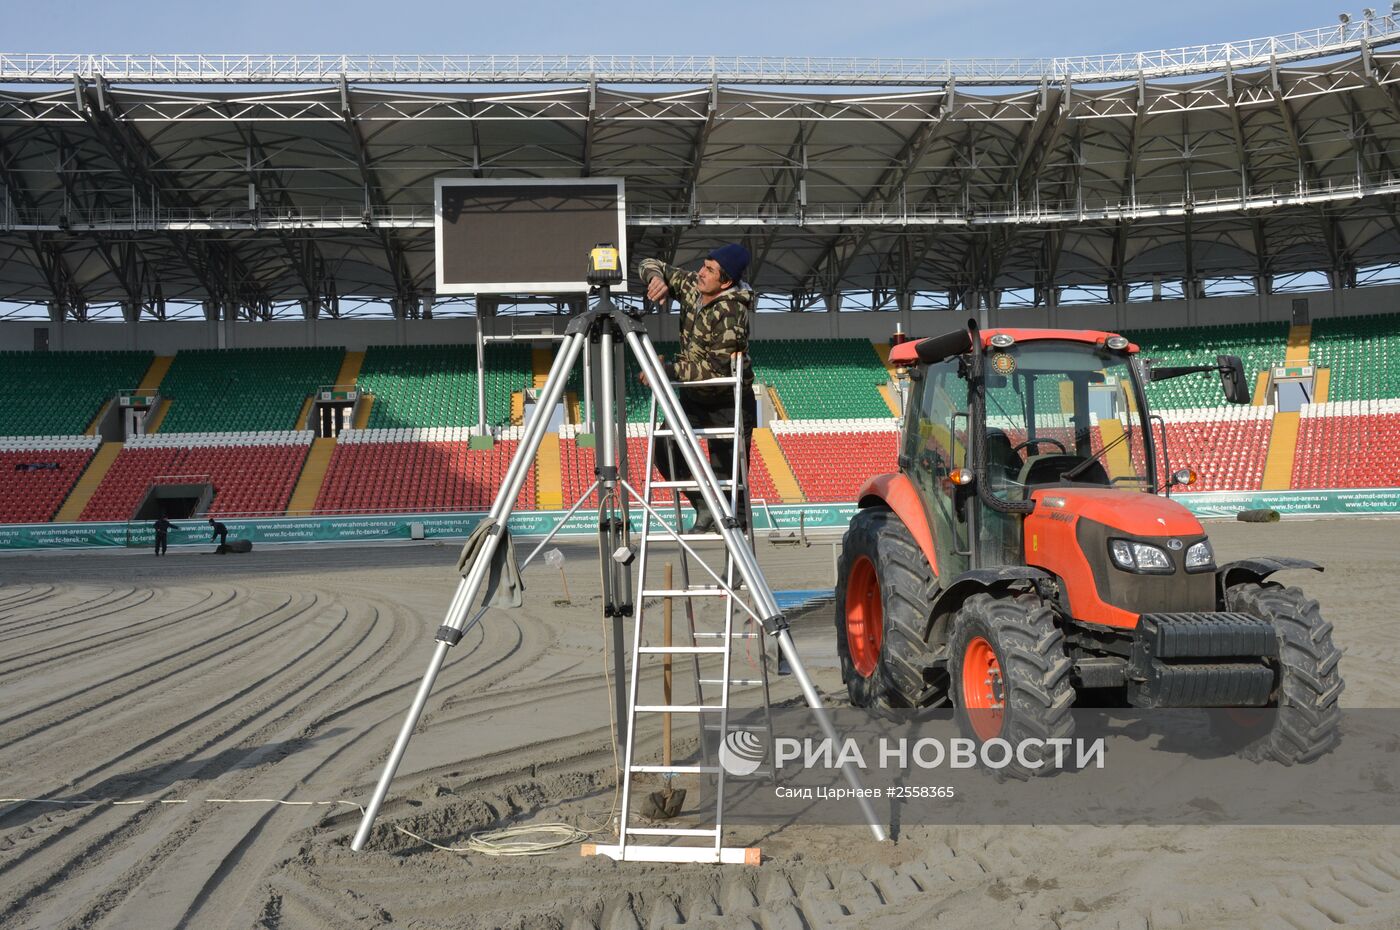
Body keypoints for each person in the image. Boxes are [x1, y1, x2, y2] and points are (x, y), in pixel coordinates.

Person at [638, 243, 756, 535]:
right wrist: (656, 278)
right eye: (704, 265)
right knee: (666, 448)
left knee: (730, 483)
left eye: (710, 270)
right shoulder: (693, 284)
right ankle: (702, 503)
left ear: (725, 281)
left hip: (728, 402)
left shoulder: (731, 313)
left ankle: (739, 569)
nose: (701, 272)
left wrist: (665, 370)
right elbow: (650, 261)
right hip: (694, 398)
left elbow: (713, 370)